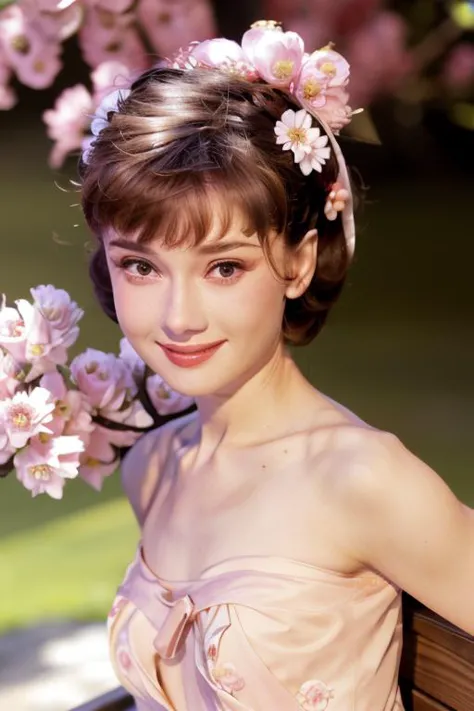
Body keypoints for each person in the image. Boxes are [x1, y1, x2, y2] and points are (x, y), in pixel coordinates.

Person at [79, 21, 473, 711]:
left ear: (299, 260)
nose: (179, 316)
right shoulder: (154, 467)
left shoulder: (364, 480)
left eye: (223, 266)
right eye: (140, 265)